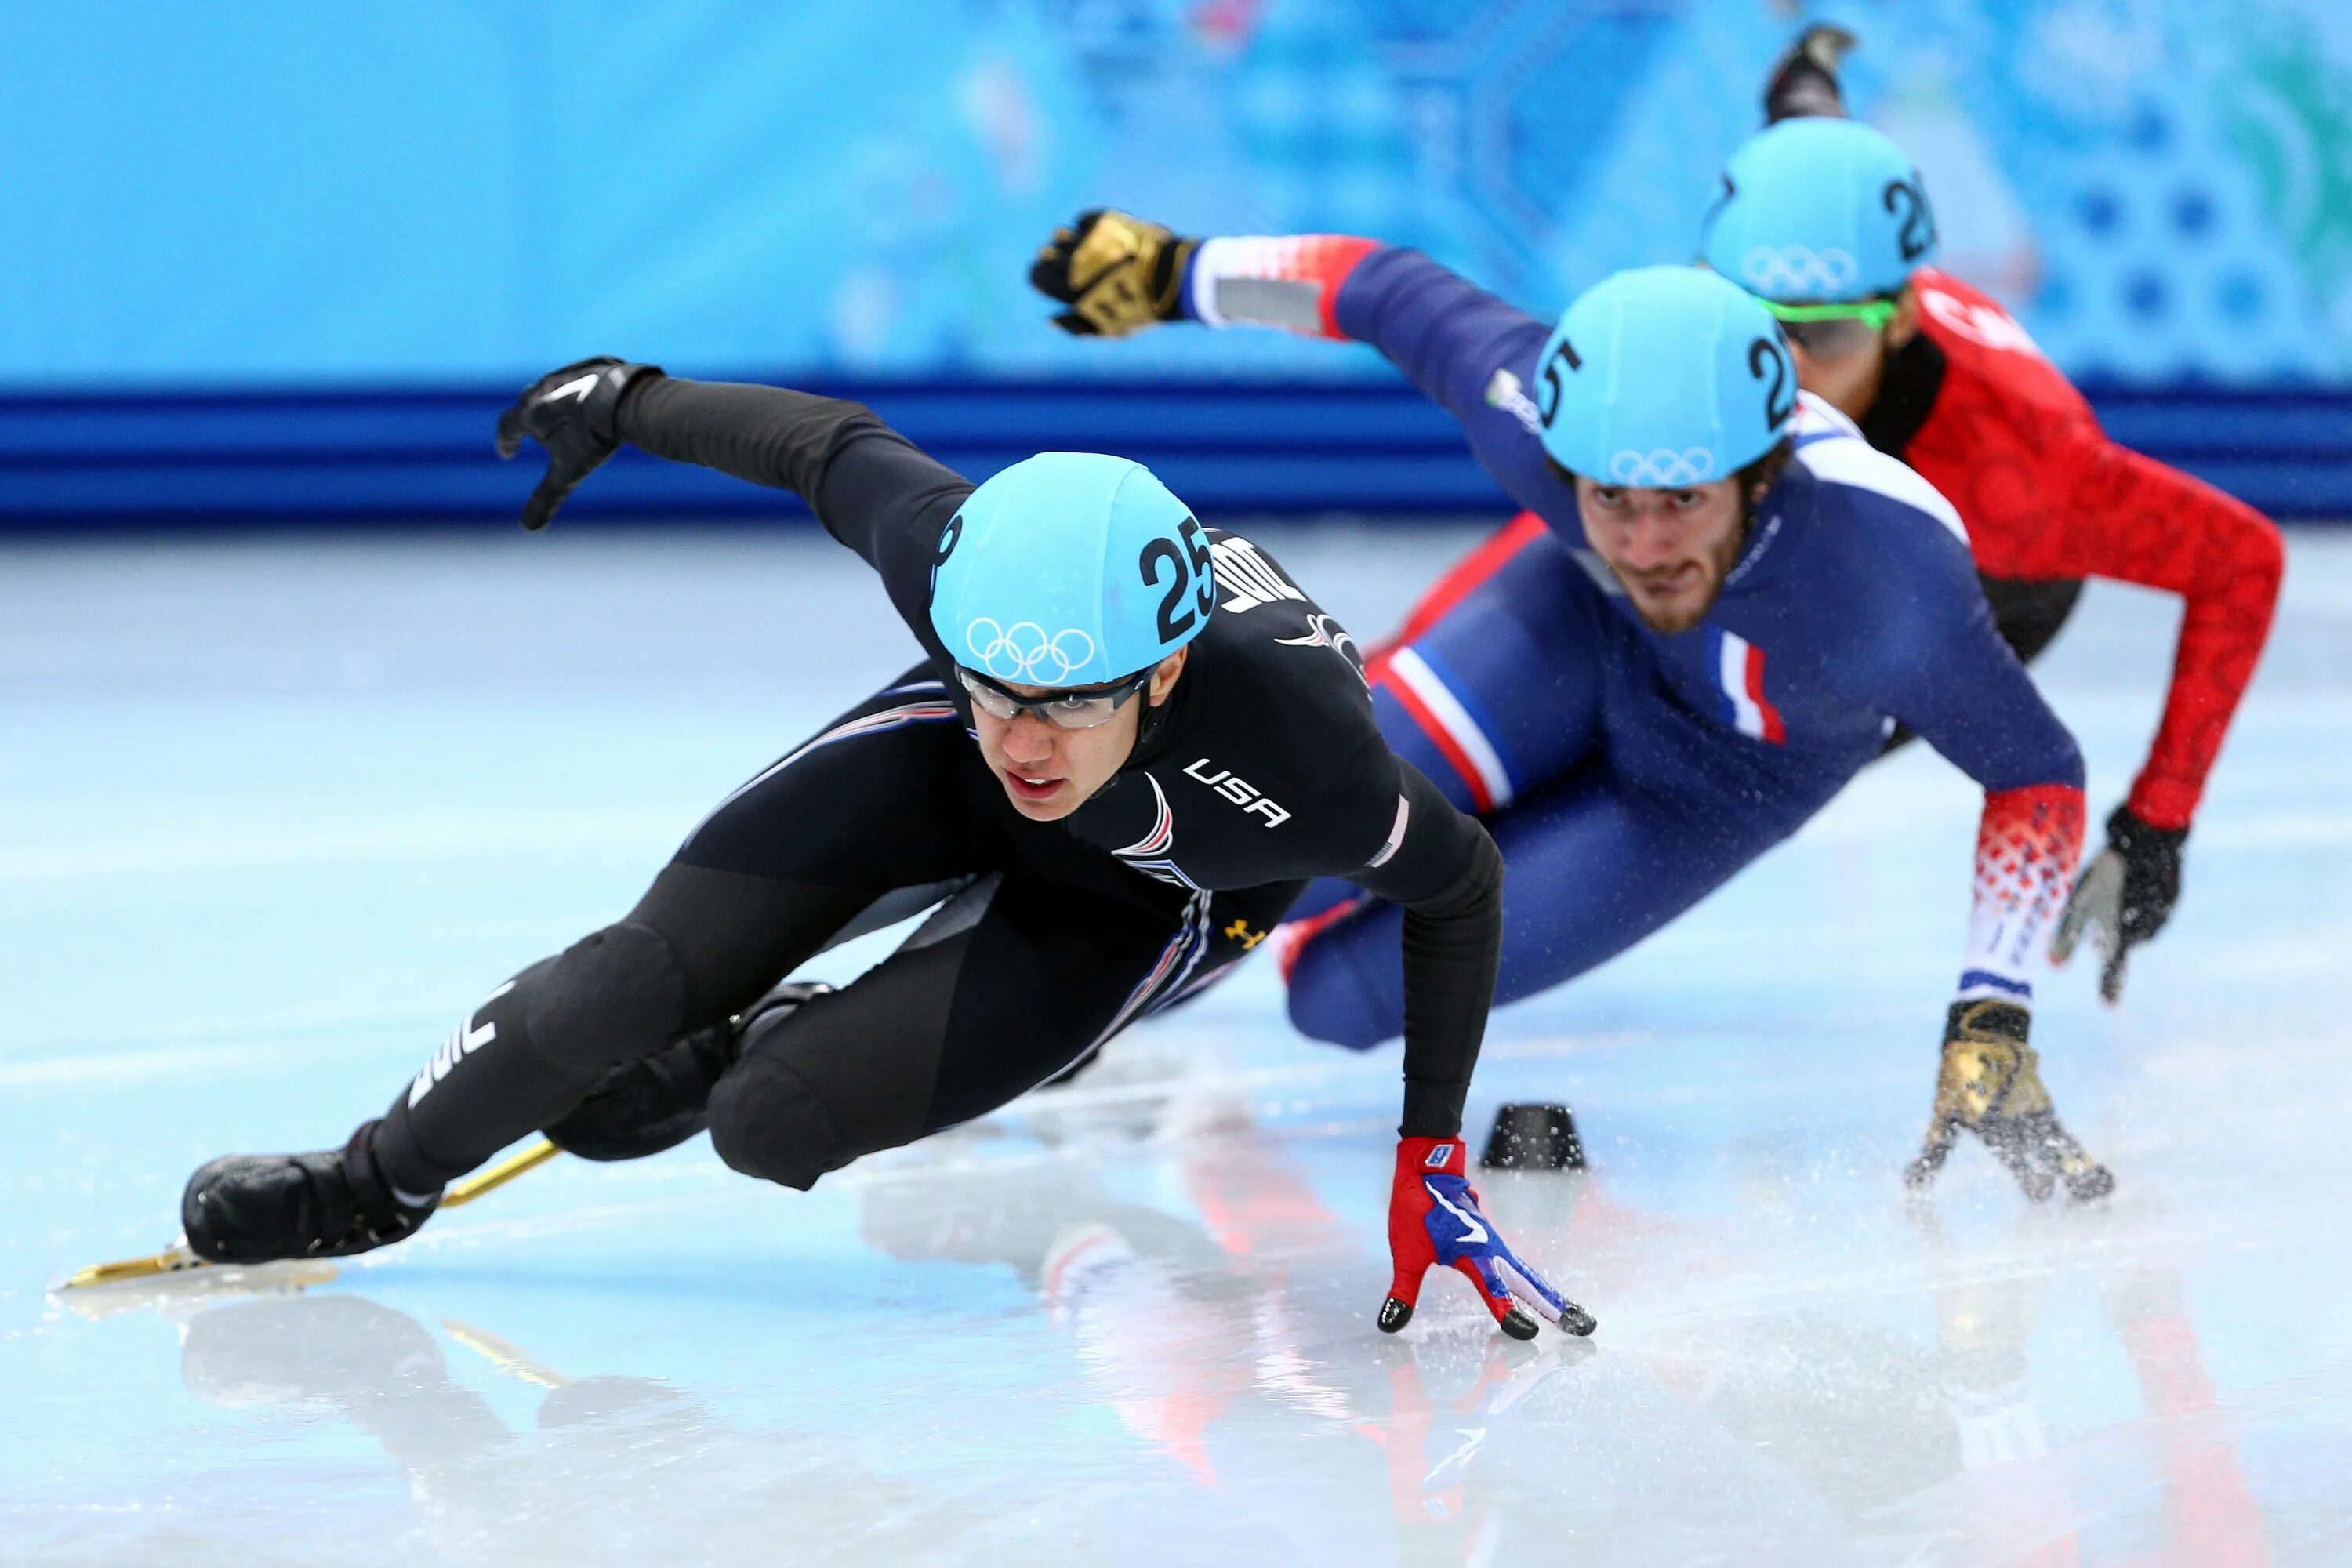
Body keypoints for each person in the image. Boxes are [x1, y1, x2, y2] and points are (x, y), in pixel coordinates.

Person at [176, 358, 1593, 1341]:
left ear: (1161, 678)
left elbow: (1460, 883)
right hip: (932, 775)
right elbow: (827, 448)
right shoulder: (962, 572)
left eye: (1070, 704)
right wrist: (624, 399)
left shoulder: (1302, 760)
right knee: (602, 998)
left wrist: (1430, 1156)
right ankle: (373, 1185)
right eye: (999, 687)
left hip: (1155, 894)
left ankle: (751, 1047)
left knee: (765, 1126)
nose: (1027, 739)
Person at [1032, 220, 2108, 1201]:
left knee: (1337, 1000)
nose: (1645, 546)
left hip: (1722, 784)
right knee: (1261, 856)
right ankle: (1031, 1014)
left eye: (1684, 501)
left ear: (1766, 467)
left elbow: (2038, 771)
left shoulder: (1886, 580)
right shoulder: (1531, 409)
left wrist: (1991, 1011)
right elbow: (1381, 287)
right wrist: (1179, 273)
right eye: (1612, 501)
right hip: (1578, 637)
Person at [1711, 27, 2285, 1002]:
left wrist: (2156, 822)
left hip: (1994, 574)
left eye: (1830, 334)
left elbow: (2243, 558)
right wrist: (1809, 69)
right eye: (1759, 326)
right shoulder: (1816, 219)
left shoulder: (2033, 468)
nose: (1789, 370)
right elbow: (1813, 136)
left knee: (1736, 763)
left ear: (1896, 314)